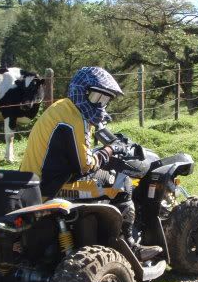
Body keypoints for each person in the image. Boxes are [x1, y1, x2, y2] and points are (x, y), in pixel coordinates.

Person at [20, 66, 162, 262]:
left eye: (104, 100)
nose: (99, 104)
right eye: (95, 97)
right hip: (53, 187)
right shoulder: (74, 119)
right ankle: (130, 245)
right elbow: (84, 166)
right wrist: (109, 150)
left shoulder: (61, 107)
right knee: (123, 183)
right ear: (81, 91)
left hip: (33, 181)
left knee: (105, 176)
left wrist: (98, 152)